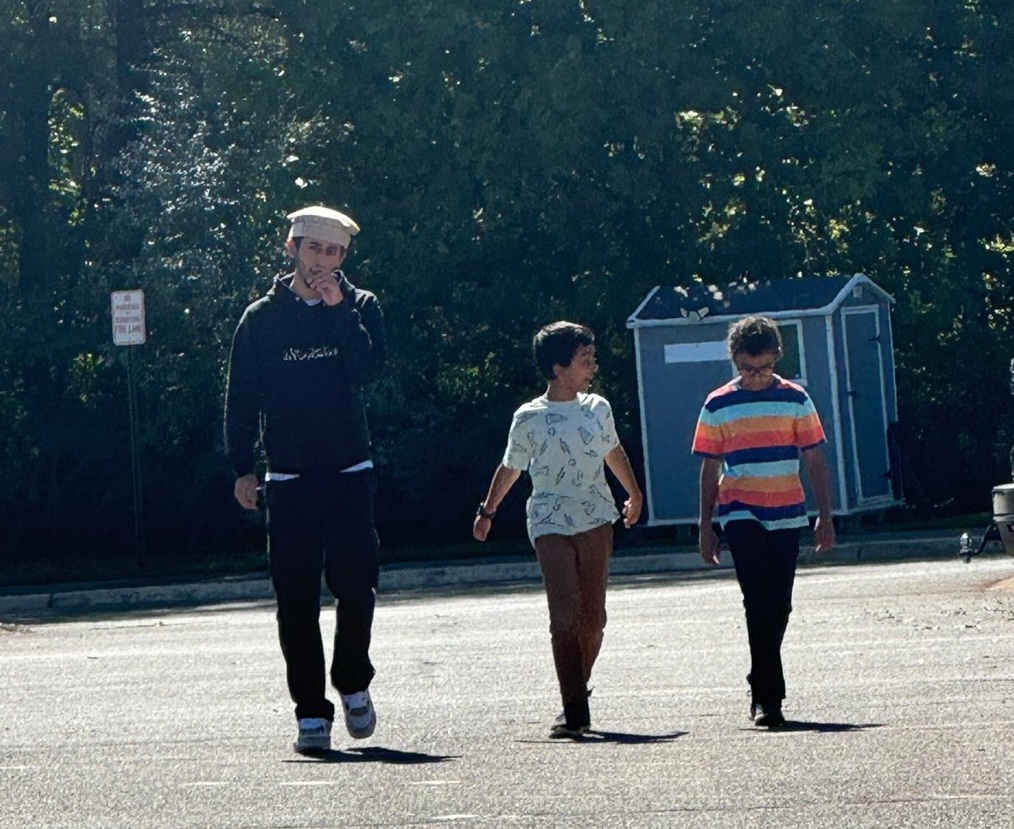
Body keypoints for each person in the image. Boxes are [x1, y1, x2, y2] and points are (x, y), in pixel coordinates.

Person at [224, 205, 386, 753]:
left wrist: (341, 312)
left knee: (358, 586)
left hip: (349, 471)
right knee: (295, 599)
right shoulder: (261, 319)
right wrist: (241, 467)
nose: (324, 260)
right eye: (314, 249)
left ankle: (353, 682)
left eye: (334, 252)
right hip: (289, 476)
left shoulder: (361, 306)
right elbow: (241, 396)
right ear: (290, 247)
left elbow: (366, 372)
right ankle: (310, 714)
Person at [473, 321, 643, 738]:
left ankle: (577, 685)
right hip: (549, 520)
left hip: (596, 518)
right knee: (564, 613)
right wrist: (488, 510)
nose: (592, 366)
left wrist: (634, 495)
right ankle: (573, 709)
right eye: (584, 359)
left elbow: (612, 451)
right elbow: (511, 465)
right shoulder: (529, 417)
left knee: (594, 617)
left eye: (592, 357)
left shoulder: (597, 408)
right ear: (557, 367)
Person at [692, 315, 834, 728]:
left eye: (764, 368)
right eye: (747, 368)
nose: (755, 377)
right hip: (740, 510)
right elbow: (709, 467)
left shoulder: (795, 399)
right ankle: (768, 700)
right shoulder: (718, 403)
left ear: (777, 357)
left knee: (780, 604)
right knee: (757, 600)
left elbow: (814, 459)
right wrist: (706, 525)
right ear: (734, 358)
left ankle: (760, 673)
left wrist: (824, 515)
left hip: (788, 510)